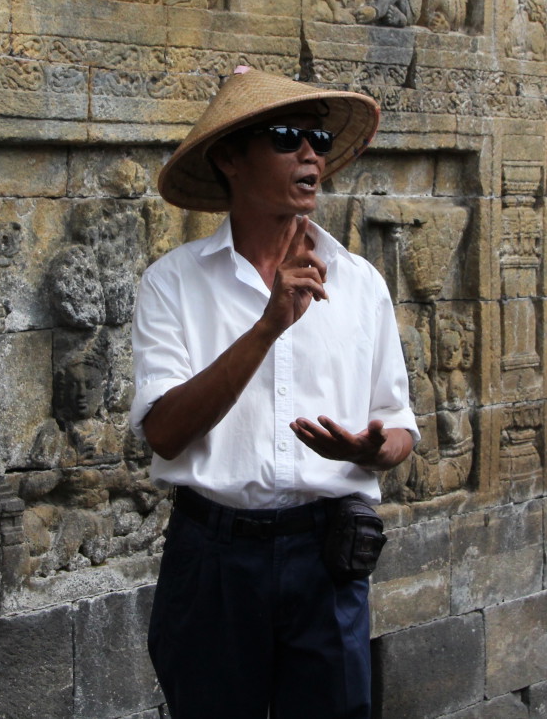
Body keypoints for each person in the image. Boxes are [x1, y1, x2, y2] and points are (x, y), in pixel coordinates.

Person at [132, 67, 417, 719]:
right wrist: (268, 327)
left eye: (319, 139)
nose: (311, 154)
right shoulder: (172, 283)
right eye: (288, 137)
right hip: (214, 558)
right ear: (230, 159)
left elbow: (398, 424)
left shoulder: (360, 283)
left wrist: (373, 450)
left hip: (327, 556)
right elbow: (164, 433)